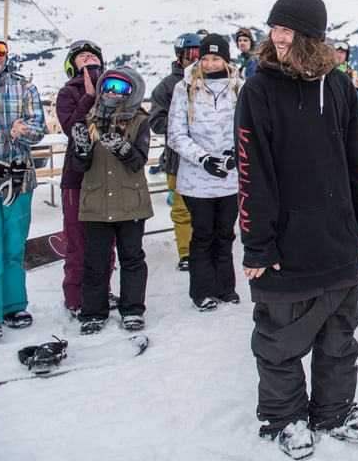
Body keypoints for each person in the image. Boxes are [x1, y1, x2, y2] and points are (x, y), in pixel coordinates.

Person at [236, 0, 358, 458]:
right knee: (280, 340)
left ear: (312, 37)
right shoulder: (258, 90)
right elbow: (250, 170)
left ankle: (334, 411)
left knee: (340, 335)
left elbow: (353, 159)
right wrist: (257, 244)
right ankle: (284, 418)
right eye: (274, 27)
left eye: (288, 30)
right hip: (286, 243)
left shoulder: (338, 84)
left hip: (337, 239)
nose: (278, 37)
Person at [0, 29, 45, 343]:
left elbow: (38, 128)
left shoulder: (22, 87)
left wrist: (22, 131)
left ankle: (13, 305)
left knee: (13, 248)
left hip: (18, 183)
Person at [70, 66, 153, 335]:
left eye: (121, 89)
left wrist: (124, 149)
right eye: (109, 87)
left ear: (132, 92)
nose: (113, 94)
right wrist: (82, 149)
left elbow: (139, 161)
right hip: (96, 203)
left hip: (130, 202)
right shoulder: (87, 121)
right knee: (95, 259)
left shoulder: (140, 121)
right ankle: (93, 311)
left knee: (132, 257)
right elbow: (78, 165)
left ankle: (132, 309)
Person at [167, 33, 243, 310]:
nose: (210, 64)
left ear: (225, 59)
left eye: (216, 58)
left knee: (225, 233)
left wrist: (236, 153)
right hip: (197, 179)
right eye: (206, 59)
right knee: (203, 234)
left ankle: (226, 287)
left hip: (230, 177)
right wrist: (203, 158)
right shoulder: (184, 88)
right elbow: (175, 134)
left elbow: (246, 127)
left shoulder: (238, 87)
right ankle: (202, 290)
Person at [56, 39, 115, 316]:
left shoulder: (115, 87)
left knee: (106, 240)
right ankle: (76, 298)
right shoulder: (68, 93)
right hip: (77, 178)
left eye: (92, 55)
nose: (88, 58)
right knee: (78, 240)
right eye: (81, 57)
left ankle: (102, 291)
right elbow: (71, 128)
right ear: (72, 66)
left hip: (107, 174)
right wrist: (88, 97)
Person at [150, 32, 201, 271]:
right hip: (178, 159)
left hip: (206, 157)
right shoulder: (167, 87)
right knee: (182, 208)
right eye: (189, 55)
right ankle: (187, 252)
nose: (194, 60)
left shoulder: (211, 83)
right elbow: (156, 122)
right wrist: (182, 123)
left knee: (208, 208)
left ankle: (205, 248)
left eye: (199, 55)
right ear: (179, 57)